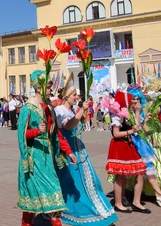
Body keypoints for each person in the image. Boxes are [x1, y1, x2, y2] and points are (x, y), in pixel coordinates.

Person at [54, 87, 118, 226]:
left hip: (79, 149)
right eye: (74, 95)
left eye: (77, 95)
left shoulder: (70, 110)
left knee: (91, 181)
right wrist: (81, 110)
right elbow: (68, 126)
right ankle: (80, 211)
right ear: (65, 96)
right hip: (70, 152)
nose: (76, 97)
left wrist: (80, 114)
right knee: (76, 183)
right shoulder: (60, 110)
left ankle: (97, 208)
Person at [17, 90, 77, 226]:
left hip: (47, 159)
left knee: (54, 193)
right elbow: (21, 134)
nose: (51, 89)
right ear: (39, 87)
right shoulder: (28, 107)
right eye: (49, 86)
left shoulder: (50, 108)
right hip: (33, 157)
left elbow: (56, 133)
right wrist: (36, 131)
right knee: (32, 196)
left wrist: (68, 151)